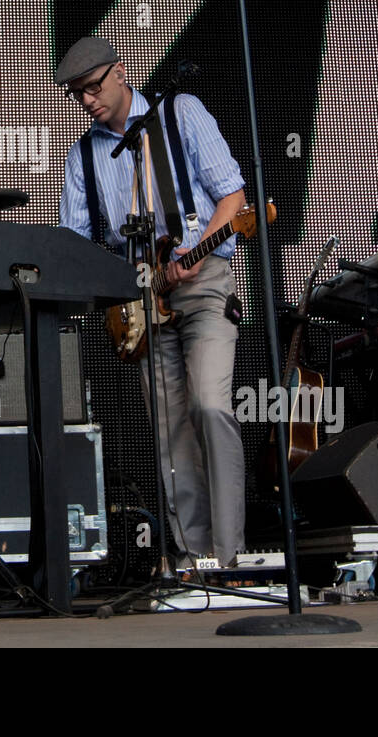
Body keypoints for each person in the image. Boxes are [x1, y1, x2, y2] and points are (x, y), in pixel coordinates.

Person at [56, 37, 246, 567]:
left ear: (121, 73)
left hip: (204, 282)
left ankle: (229, 559)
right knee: (170, 431)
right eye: (78, 94)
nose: (88, 101)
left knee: (210, 405)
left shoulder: (180, 114)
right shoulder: (85, 154)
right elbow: (76, 243)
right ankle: (192, 557)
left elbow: (234, 198)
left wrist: (193, 249)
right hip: (140, 301)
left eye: (93, 87)